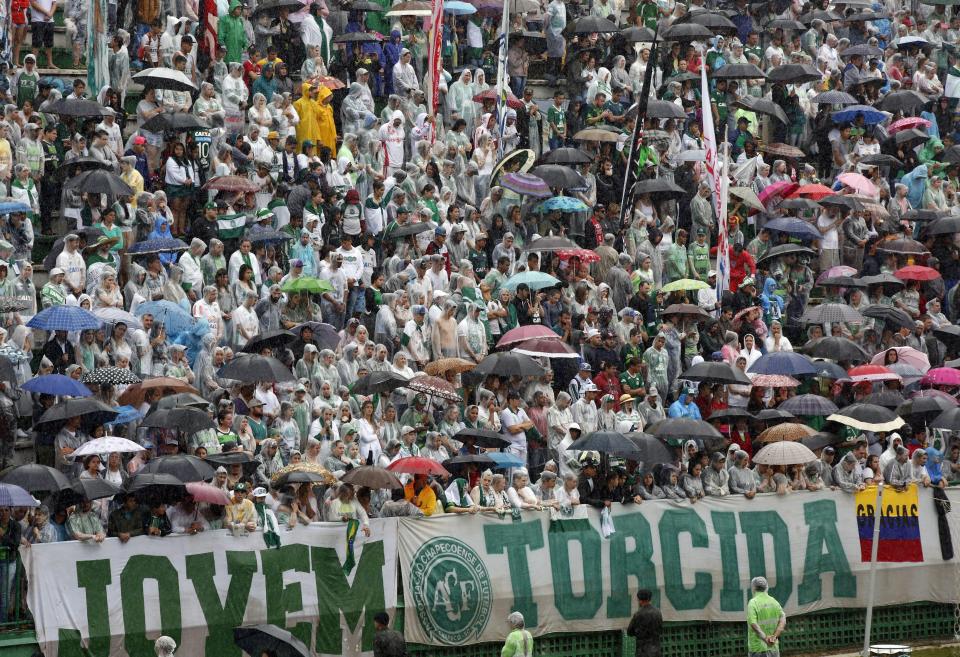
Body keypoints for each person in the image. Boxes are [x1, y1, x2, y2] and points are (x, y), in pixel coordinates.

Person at [747, 576, 786, 657]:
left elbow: (753, 624)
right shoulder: (774, 601)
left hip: (757, 649)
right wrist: (774, 637)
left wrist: (765, 639)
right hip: (773, 648)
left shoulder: (753, 603)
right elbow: (783, 620)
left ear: (753, 588)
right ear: (767, 587)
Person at [626, 589, 662, 657]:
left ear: (639, 600)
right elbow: (660, 629)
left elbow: (630, 632)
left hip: (643, 652)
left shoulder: (638, 614)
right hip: (657, 651)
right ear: (650, 598)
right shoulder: (658, 612)